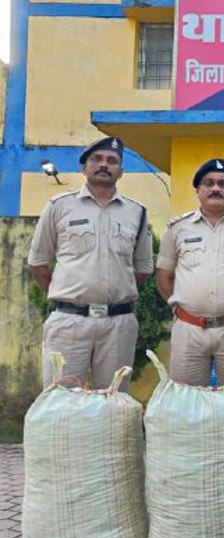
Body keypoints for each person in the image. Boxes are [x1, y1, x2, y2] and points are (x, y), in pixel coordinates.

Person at [28, 137, 153, 391]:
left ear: (121, 171)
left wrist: (113, 293)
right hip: (69, 322)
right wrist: (70, 294)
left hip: (118, 324)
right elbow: (38, 264)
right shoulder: (59, 207)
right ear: (84, 168)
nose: (104, 165)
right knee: (61, 398)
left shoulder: (136, 212)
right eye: (96, 159)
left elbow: (142, 270)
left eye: (112, 161)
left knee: (114, 401)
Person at [155, 158, 224, 387]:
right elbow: (164, 276)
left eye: (222, 183)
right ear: (198, 190)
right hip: (188, 329)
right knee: (186, 397)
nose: (216, 188)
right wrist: (181, 307)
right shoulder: (178, 228)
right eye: (209, 183)